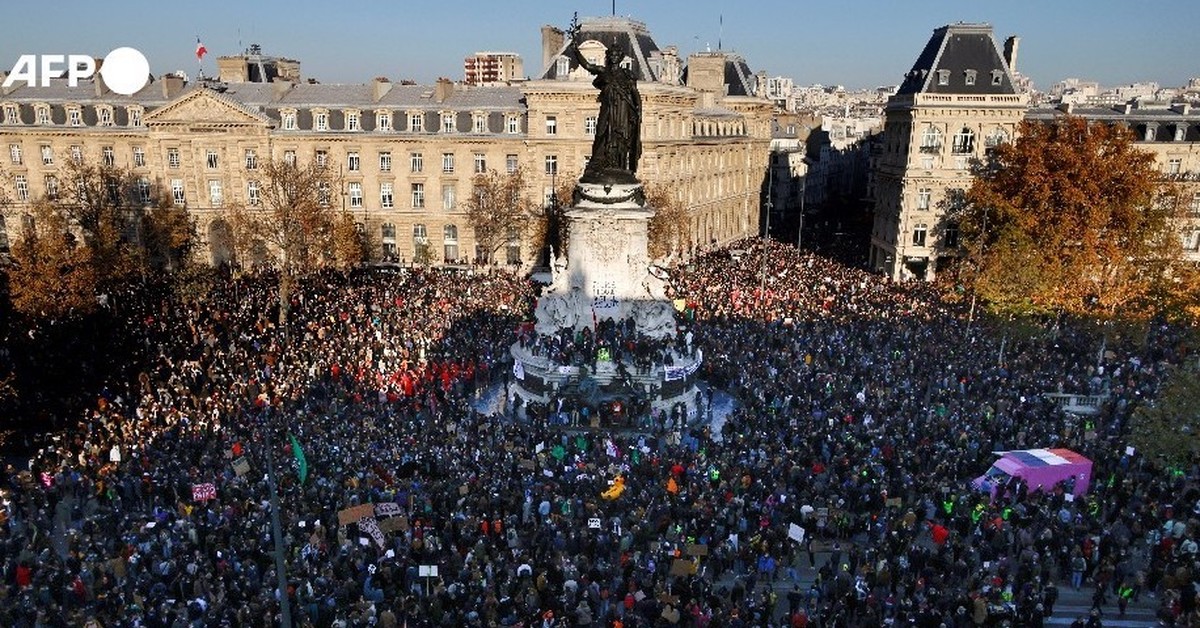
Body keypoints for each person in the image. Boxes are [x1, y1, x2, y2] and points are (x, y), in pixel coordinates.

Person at [566, 35, 642, 181]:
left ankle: (620, 168)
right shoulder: (603, 71)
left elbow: (634, 92)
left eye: (616, 55)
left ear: (620, 57)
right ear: (609, 56)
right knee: (602, 134)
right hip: (608, 110)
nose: (614, 56)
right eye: (611, 54)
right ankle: (599, 163)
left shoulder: (627, 75)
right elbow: (588, 66)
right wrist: (576, 51)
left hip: (622, 110)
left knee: (621, 140)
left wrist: (638, 109)